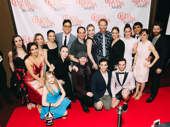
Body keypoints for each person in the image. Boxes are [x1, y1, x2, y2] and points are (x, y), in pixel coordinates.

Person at [145, 22, 170, 102]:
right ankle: (151, 90)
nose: (155, 30)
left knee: (156, 80)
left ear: (161, 30)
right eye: (154, 29)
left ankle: (153, 95)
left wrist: (161, 67)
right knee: (151, 78)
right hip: (150, 63)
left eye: (157, 29)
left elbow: (165, 56)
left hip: (158, 64)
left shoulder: (164, 41)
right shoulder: (151, 38)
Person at [132, 29, 159, 100]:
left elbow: (157, 56)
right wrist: (134, 64)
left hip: (144, 64)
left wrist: (150, 65)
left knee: (142, 80)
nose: (142, 36)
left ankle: (141, 92)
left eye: (144, 35)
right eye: (141, 35)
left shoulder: (149, 44)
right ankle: (136, 91)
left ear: (147, 35)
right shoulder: (139, 43)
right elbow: (137, 54)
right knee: (137, 79)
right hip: (138, 62)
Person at [8, 35, 29, 105]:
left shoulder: (27, 51)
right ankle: (26, 103)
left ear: (22, 41)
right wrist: (14, 72)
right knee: (23, 90)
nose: (18, 43)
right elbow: (10, 62)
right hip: (19, 74)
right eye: (16, 41)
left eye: (19, 40)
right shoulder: (11, 53)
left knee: (30, 89)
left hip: (28, 72)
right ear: (14, 43)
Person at [24, 42, 44, 113]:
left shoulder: (42, 56)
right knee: (40, 93)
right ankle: (39, 105)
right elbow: (32, 74)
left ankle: (43, 103)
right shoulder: (27, 60)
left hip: (39, 77)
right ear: (29, 51)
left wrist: (41, 80)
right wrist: (41, 81)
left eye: (36, 48)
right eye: (32, 50)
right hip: (29, 80)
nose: (35, 51)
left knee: (45, 90)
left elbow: (42, 69)